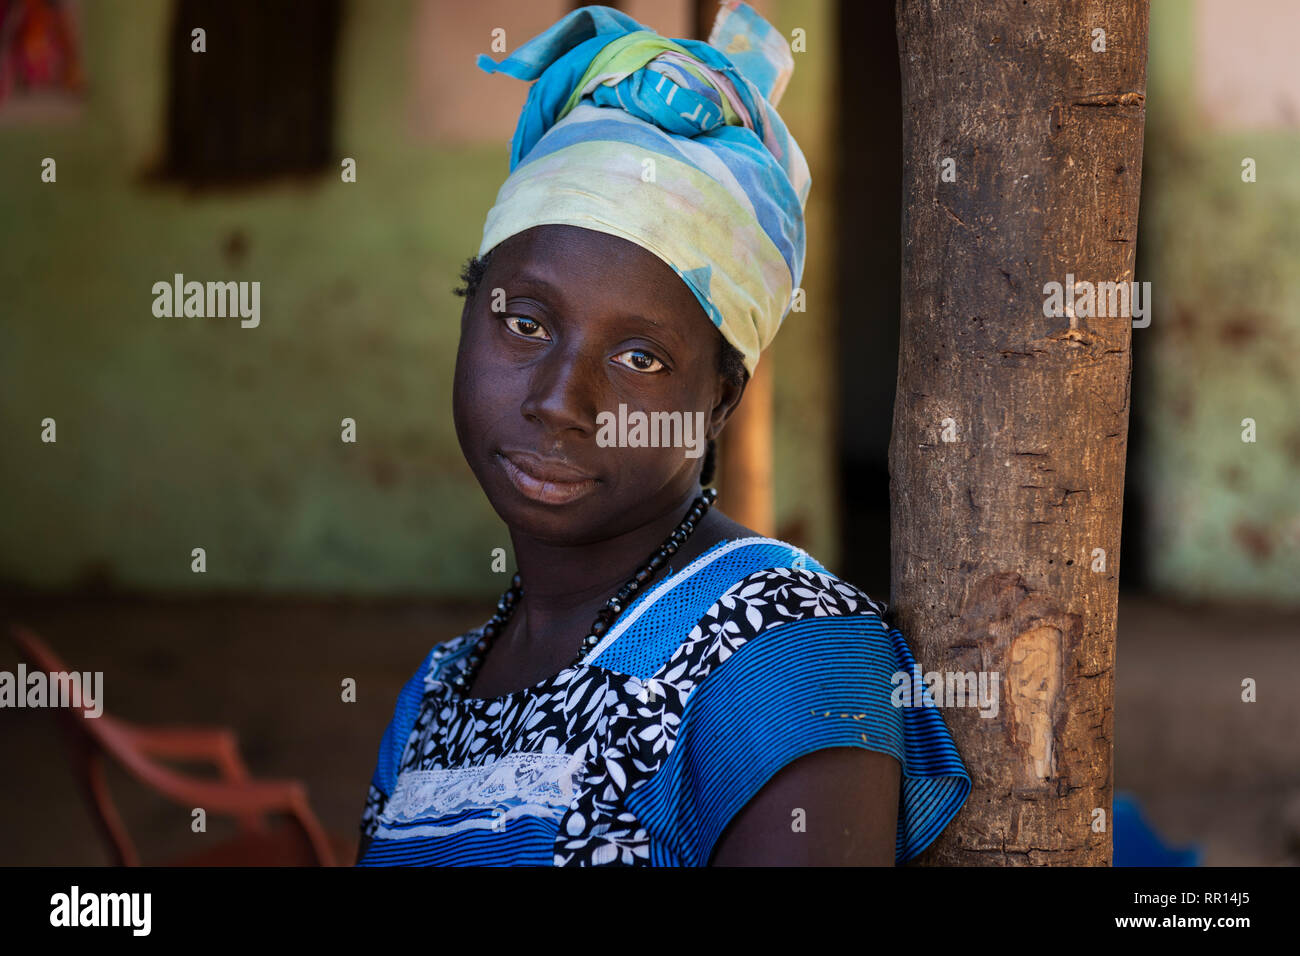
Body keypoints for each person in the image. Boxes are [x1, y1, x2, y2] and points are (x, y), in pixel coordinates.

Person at [357, 1, 969, 866]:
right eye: (526, 324)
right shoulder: (435, 696)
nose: (562, 401)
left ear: (720, 401)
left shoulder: (785, 653)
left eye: (640, 357)